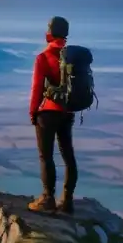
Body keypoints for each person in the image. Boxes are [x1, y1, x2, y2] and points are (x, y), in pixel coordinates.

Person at [28, 16, 78, 214]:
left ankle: (48, 199)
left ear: (49, 33)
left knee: (46, 156)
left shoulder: (44, 57)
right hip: (67, 112)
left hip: (48, 113)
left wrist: (33, 112)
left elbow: (37, 88)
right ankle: (67, 201)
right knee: (68, 156)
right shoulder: (72, 57)